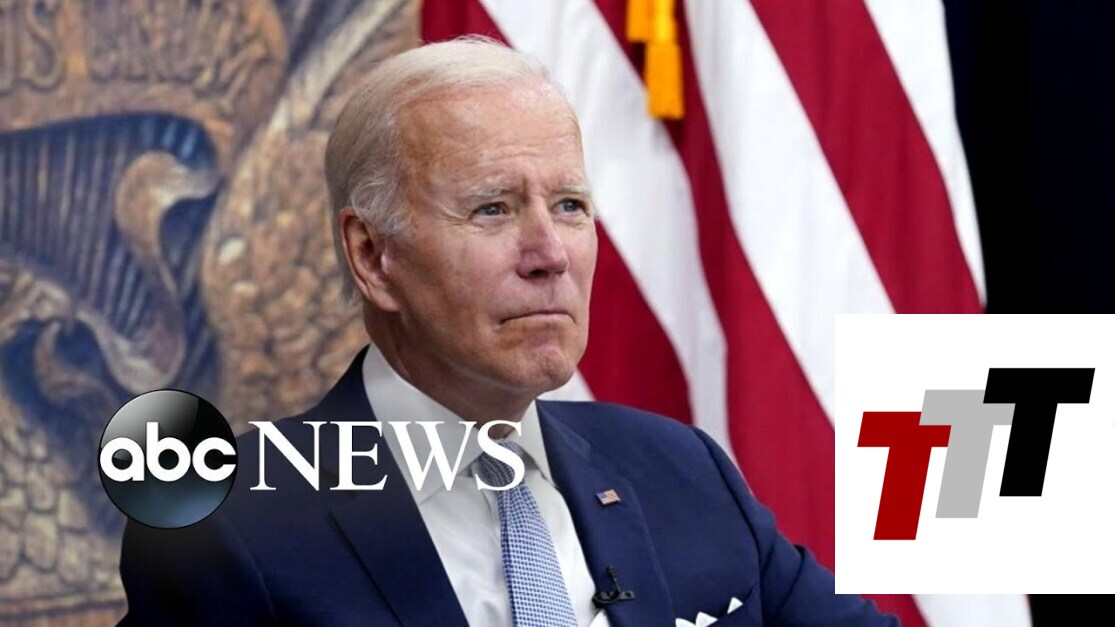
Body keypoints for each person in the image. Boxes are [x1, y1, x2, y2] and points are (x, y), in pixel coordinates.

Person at [118, 38, 896, 626]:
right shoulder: (224, 526)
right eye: (492, 208)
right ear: (373, 255)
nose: (550, 254)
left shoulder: (681, 472)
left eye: (569, 206)